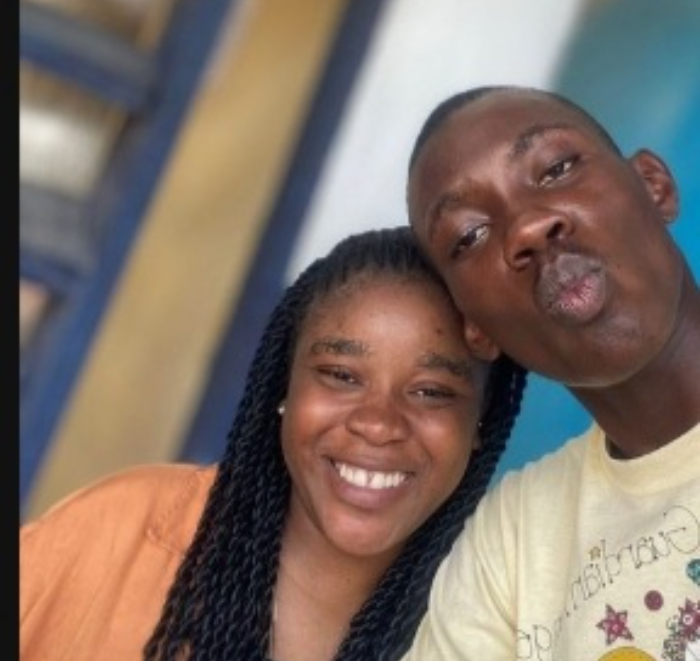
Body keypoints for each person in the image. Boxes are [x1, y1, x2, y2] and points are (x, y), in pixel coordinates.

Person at [20, 226, 526, 661]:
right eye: (341, 376)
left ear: (481, 421)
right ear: (284, 385)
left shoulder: (494, 629)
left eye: (431, 392)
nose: (377, 424)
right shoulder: (120, 532)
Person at [402, 85, 700, 660]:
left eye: (556, 168)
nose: (528, 228)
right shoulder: (510, 547)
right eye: (469, 235)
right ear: (476, 329)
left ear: (653, 185)